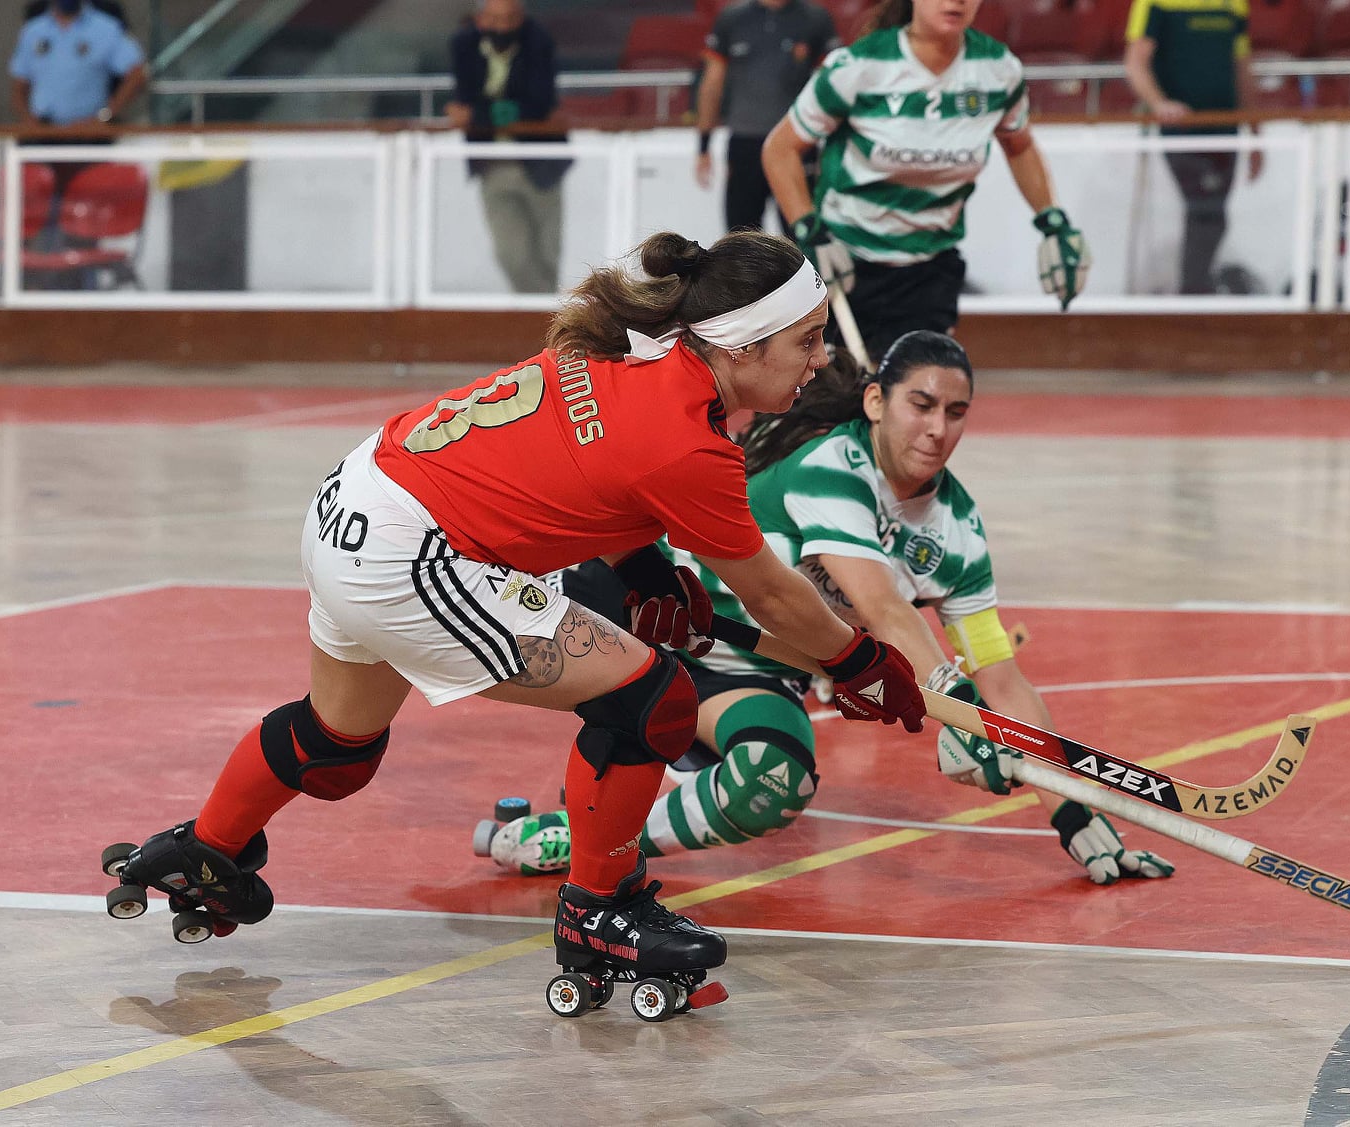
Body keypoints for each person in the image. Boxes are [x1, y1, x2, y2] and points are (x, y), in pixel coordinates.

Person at [106, 230, 928, 1011]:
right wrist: (859, 660)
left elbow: (579, 458)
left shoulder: (633, 347)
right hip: (409, 553)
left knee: (337, 743)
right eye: (807, 340)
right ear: (743, 346)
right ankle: (601, 911)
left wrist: (642, 561)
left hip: (350, 502)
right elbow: (774, 597)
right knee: (651, 701)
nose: (818, 360)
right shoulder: (687, 442)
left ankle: (206, 849)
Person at [490, 331, 1174, 888]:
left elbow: (1001, 676)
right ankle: (630, 786)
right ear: (875, 402)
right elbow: (877, 603)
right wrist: (950, 700)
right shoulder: (834, 462)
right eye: (921, 404)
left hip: (741, 666)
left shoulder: (959, 531)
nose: (937, 429)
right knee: (615, 699)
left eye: (955, 412)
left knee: (774, 777)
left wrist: (1069, 813)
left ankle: (599, 839)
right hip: (647, 610)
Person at [761, 0, 1089, 360]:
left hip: (930, 272)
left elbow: (1019, 146)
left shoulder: (997, 70)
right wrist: (810, 230)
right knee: (831, 406)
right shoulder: (859, 66)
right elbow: (780, 149)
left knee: (914, 399)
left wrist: (1052, 221)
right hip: (846, 265)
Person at [1124, 0, 1263, 295]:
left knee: (1214, 214)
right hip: (1183, 132)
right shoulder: (1154, 2)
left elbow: (1241, 67)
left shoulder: (1234, 4)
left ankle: (1194, 291)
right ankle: (1193, 294)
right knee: (1207, 210)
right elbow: (1136, 62)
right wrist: (1160, 104)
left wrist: (1255, 133)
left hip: (1226, 130)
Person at [446, 0, 567, 294]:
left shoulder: (539, 41)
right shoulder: (463, 45)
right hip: (492, 163)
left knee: (547, 252)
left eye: (510, 19)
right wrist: (495, 112)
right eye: (495, 19)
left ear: (521, 17)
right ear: (481, 19)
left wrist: (479, 115)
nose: (503, 27)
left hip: (541, 164)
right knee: (510, 253)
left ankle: (544, 320)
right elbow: (463, 100)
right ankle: (539, 317)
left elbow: (539, 105)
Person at [696, 0, 839, 234]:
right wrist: (703, 144)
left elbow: (834, 83)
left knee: (803, 236)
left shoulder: (815, 18)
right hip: (746, 143)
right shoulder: (732, 18)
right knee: (741, 242)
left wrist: (834, 147)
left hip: (797, 145)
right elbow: (712, 84)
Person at [8, 0, 145, 128]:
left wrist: (104, 117)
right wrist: (28, 120)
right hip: (43, 130)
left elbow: (137, 76)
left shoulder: (106, 28)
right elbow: (19, 85)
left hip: (88, 133)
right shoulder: (33, 31)